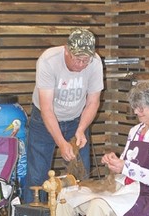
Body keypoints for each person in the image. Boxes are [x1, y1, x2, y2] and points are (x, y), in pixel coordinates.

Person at [56, 79, 149, 216]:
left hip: (148, 196)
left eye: (141, 108)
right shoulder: (135, 130)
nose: (136, 111)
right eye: (135, 106)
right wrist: (115, 162)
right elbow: (125, 165)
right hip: (125, 188)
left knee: (98, 205)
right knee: (67, 197)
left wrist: (126, 167)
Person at [23, 28, 104, 203]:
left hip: (76, 119)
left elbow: (93, 102)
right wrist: (61, 142)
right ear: (66, 50)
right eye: (77, 59)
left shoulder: (95, 63)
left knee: (79, 176)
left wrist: (81, 130)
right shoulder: (48, 61)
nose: (81, 65)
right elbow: (47, 109)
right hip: (44, 120)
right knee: (37, 175)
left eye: (85, 60)